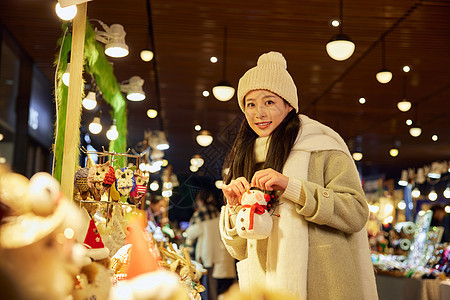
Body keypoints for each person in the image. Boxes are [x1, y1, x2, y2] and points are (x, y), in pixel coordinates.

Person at [219, 51, 378, 299]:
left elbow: (356, 212)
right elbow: (239, 251)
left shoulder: (322, 146)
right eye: (250, 104)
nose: (258, 113)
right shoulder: (245, 157)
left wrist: (293, 188)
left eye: (269, 102)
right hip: (268, 288)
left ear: (289, 105)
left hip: (324, 286)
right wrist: (234, 209)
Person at [186, 189, 236, 300]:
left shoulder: (199, 215)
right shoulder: (219, 214)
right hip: (222, 256)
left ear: (201, 201)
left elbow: (191, 234)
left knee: (208, 289)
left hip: (208, 256)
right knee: (221, 290)